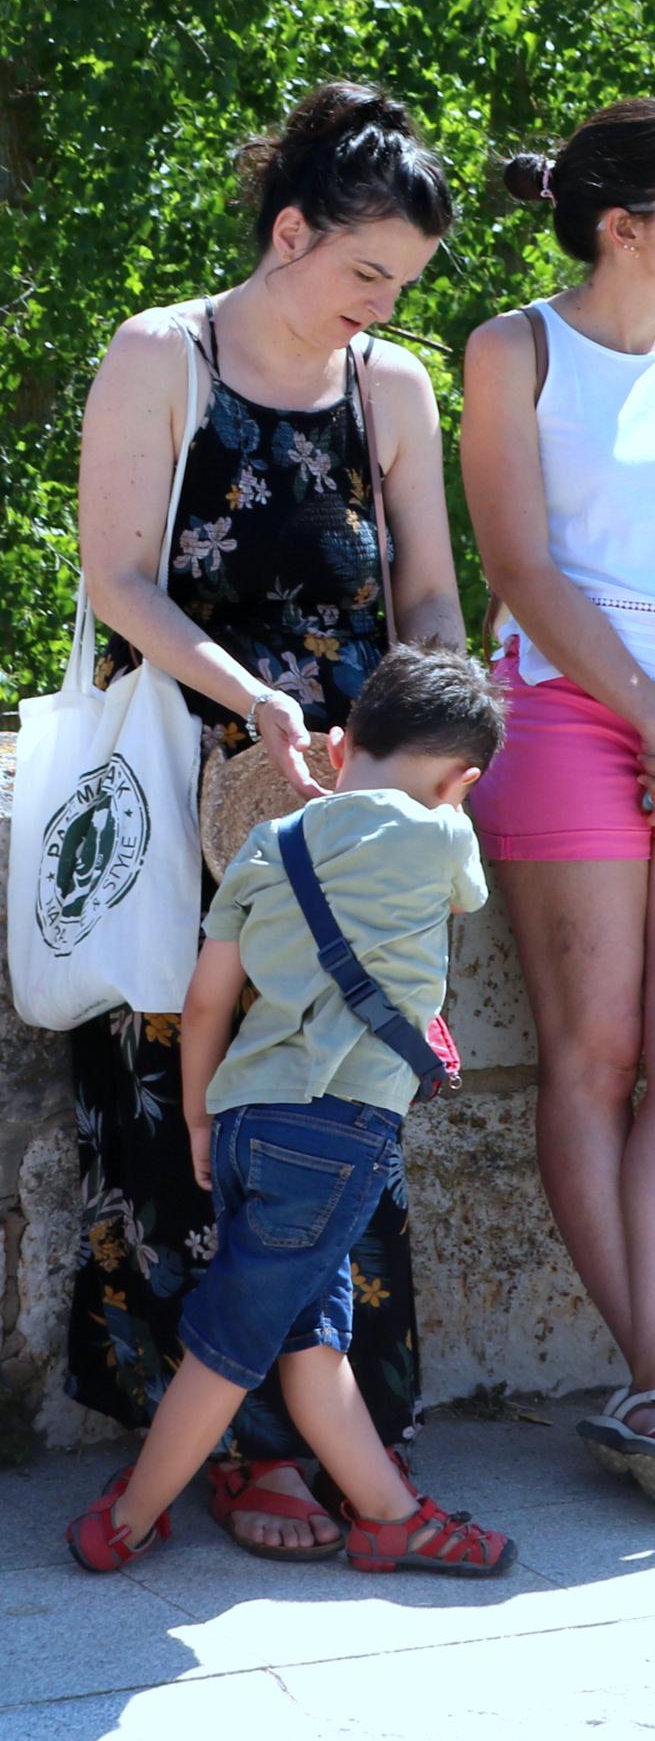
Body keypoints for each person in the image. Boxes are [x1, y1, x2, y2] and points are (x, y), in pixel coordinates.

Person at [65, 82, 466, 1562]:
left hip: (355, 809)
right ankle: (216, 1450)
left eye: (404, 284)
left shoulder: (396, 388)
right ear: (288, 229)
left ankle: (315, 1434)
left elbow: (427, 595)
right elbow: (121, 579)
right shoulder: (159, 353)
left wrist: (430, 725)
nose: (379, 306)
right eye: (365, 270)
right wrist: (256, 703)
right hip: (186, 777)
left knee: (339, 1108)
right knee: (183, 1102)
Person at [461, 97, 655, 1513]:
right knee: (591, 1049)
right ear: (620, 226)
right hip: (570, 714)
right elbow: (522, 565)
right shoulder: (511, 347)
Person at [67, 648, 518, 1579]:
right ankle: (133, 1518)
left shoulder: (271, 846)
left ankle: (391, 1515)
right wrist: (452, 806)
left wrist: (197, 1120)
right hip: (338, 1129)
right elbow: (466, 892)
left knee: (312, 1335)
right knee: (231, 1344)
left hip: (241, 1117)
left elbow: (205, 1003)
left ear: (341, 743)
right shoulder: (443, 836)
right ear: (461, 780)